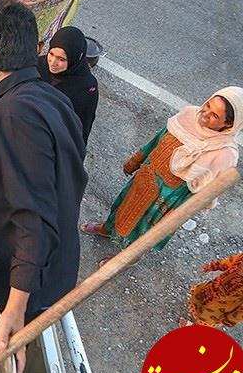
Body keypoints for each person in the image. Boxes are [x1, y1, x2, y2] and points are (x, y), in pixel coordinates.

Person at [0, 0, 88, 373]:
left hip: (23, 275)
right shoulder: (52, 98)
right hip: (26, 250)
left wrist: (14, 308)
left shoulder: (14, 117)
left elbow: (33, 220)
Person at [82, 87, 242, 251]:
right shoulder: (188, 115)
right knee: (123, 205)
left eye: (215, 116)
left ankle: (126, 259)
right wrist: (135, 160)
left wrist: (180, 213)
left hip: (167, 199)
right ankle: (108, 229)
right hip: (145, 177)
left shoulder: (225, 153)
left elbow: (209, 190)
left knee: (144, 230)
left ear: (229, 124)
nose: (205, 114)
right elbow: (158, 139)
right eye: (208, 105)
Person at [36, 26, 98, 144]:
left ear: (74, 59)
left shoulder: (87, 88)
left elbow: (81, 129)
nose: (53, 63)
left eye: (61, 59)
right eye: (51, 54)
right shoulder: (39, 65)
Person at [183, 252, 243, 328]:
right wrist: (213, 266)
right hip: (210, 289)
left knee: (206, 319)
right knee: (198, 302)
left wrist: (231, 319)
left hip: (220, 308)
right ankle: (194, 319)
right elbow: (229, 262)